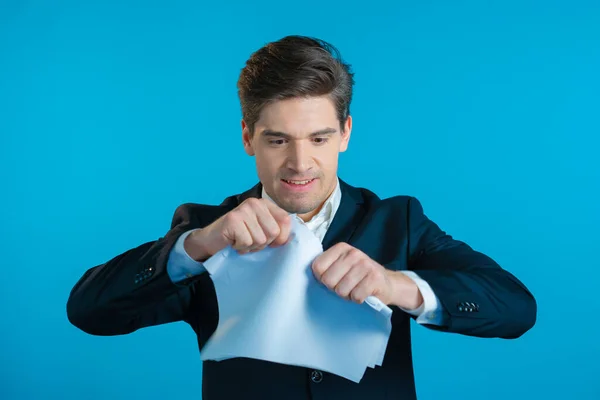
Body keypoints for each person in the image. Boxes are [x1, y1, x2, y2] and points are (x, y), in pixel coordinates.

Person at [66, 35, 537, 400]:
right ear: (248, 136)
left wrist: (396, 286)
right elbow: (88, 310)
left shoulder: (399, 222)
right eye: (277, 140)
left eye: (318, 138)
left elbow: (517, 308)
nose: (299, 164)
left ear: (345, 132)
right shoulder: (207, 230)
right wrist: (196, 247)